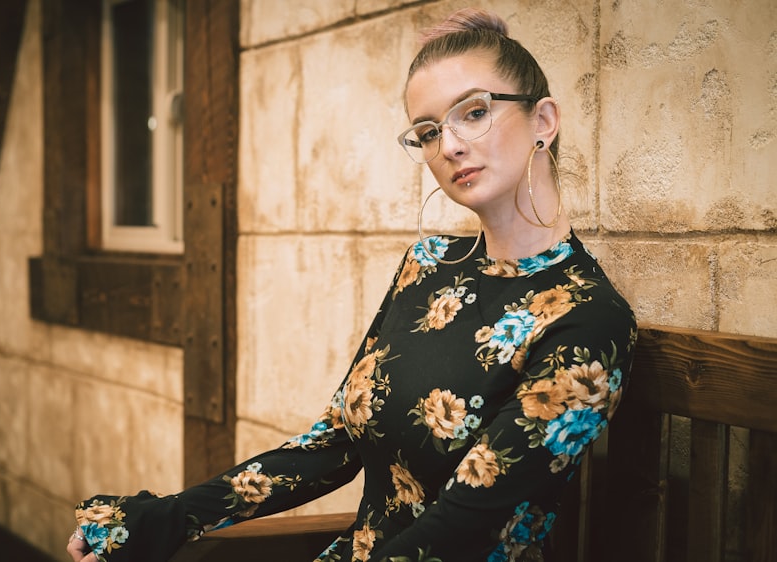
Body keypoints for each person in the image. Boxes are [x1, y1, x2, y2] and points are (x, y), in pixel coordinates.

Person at [67, 7, 636, 562]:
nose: (450, 146)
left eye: (475, 112)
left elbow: (466, 526)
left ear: (543, 120)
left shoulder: (589, 318)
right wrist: (164, 518)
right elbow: (333, 444)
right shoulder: (428, 264)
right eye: (429, 130)